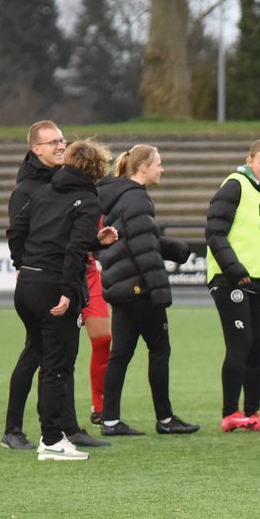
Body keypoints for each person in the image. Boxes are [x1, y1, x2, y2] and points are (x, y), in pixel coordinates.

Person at [7, 140, 118, 461]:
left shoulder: (43, 192)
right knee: (58, 368)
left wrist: (23, 265)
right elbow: (72, 252)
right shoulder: (87, 200)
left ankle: (50, 436)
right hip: (54, 289)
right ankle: (53, 440)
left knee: (45, 363)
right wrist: (69, 292)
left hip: (27, 285)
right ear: (96, 169)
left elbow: (17, 232)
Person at [96, 145, 197, 437]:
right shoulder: (137, 199)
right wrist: (160, 292)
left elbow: (135, 238)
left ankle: (111, 420)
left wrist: (172, 248)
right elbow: (141, 248)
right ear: (143, 168)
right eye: (159, 164)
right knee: (159, 350)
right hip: (138, 288)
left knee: (120, 354)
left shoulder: (116, 196)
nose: (162, 169)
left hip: (119, 285)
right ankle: (165, 419)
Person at [205, 139, 260, 433]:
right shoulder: (235, 184)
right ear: (250, 161)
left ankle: (252, 412)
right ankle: (229, 412)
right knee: (241, 343)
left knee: (257, 348)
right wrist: (234, 268)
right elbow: (214, 231)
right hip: (232, 280)